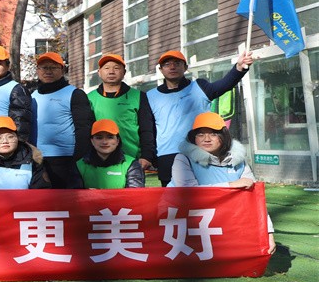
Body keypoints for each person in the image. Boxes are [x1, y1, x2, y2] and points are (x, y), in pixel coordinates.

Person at [171, 112, 275, 253]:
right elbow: (189, 194)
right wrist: (230, 186)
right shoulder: (183, 159)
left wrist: (268, 233)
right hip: (189, 226)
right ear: (193, 137)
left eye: (213, 134)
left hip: (226, 224)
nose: (206, 139)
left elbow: (255, 200)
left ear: (223, 136)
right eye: (200, 134)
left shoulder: (239, 161)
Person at [148, 49, 254, 185]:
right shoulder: (150, 96)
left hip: (200, 153)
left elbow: (224, 84)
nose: (172, 67)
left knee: (206, 192)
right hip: (166, 154)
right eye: (167, 64)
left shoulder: (199, 87)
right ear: (160, 69)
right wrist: (150, 156)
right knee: (172, 194)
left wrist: (239, 68)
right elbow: (149, 129)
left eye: (177, 63)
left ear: (185, 67)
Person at [32, 52, 94, 189]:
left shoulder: (75, 94)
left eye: (53, 67)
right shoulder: (32, 95)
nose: (48, 71)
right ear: (37, 70)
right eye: (44, 67)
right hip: (37, 159)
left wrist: (78, 160)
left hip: (66, 159)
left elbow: (84, 128)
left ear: (62, 70)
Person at [86, 53, 155, 172]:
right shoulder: (89, 98)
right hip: (99, 161)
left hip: (133, 160)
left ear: (124, 72)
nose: (111, 71)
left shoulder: (138, 96)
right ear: (99, 72)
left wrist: (147, 156)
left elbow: (147, 129)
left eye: (116, 68)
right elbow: (86, 131)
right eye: (106, 68)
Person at [0, 45, 33, 141]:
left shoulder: (16, 89)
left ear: (7, 65)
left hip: (5, 144)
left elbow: (21, 125)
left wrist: (18, 146)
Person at [76, 119, 145, 189]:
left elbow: (135, 193)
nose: (104, 142)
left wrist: (98, 194)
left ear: (117, 140)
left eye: (110, 137)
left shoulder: (131, 164)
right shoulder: (79, 165)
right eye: (99, 138)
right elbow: (73, 193)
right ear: (92, 141)